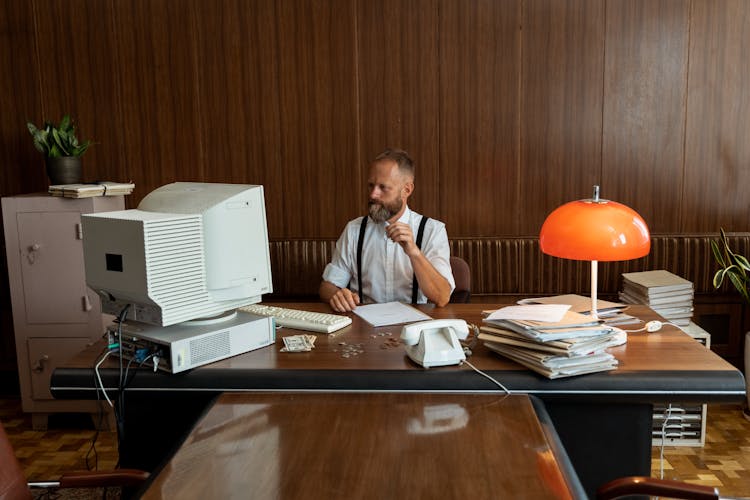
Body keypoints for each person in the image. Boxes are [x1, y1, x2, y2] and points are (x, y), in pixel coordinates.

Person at [320, 149, 455, 312]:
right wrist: (337, 295)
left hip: (415, 330)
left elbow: (442, 297)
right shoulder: (354, 230)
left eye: (383, 187)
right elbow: (327, 287)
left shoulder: (433, 230)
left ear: (407, 190)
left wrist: (414, 252)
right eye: (371, 185)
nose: (373, 194)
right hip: (364, 329)